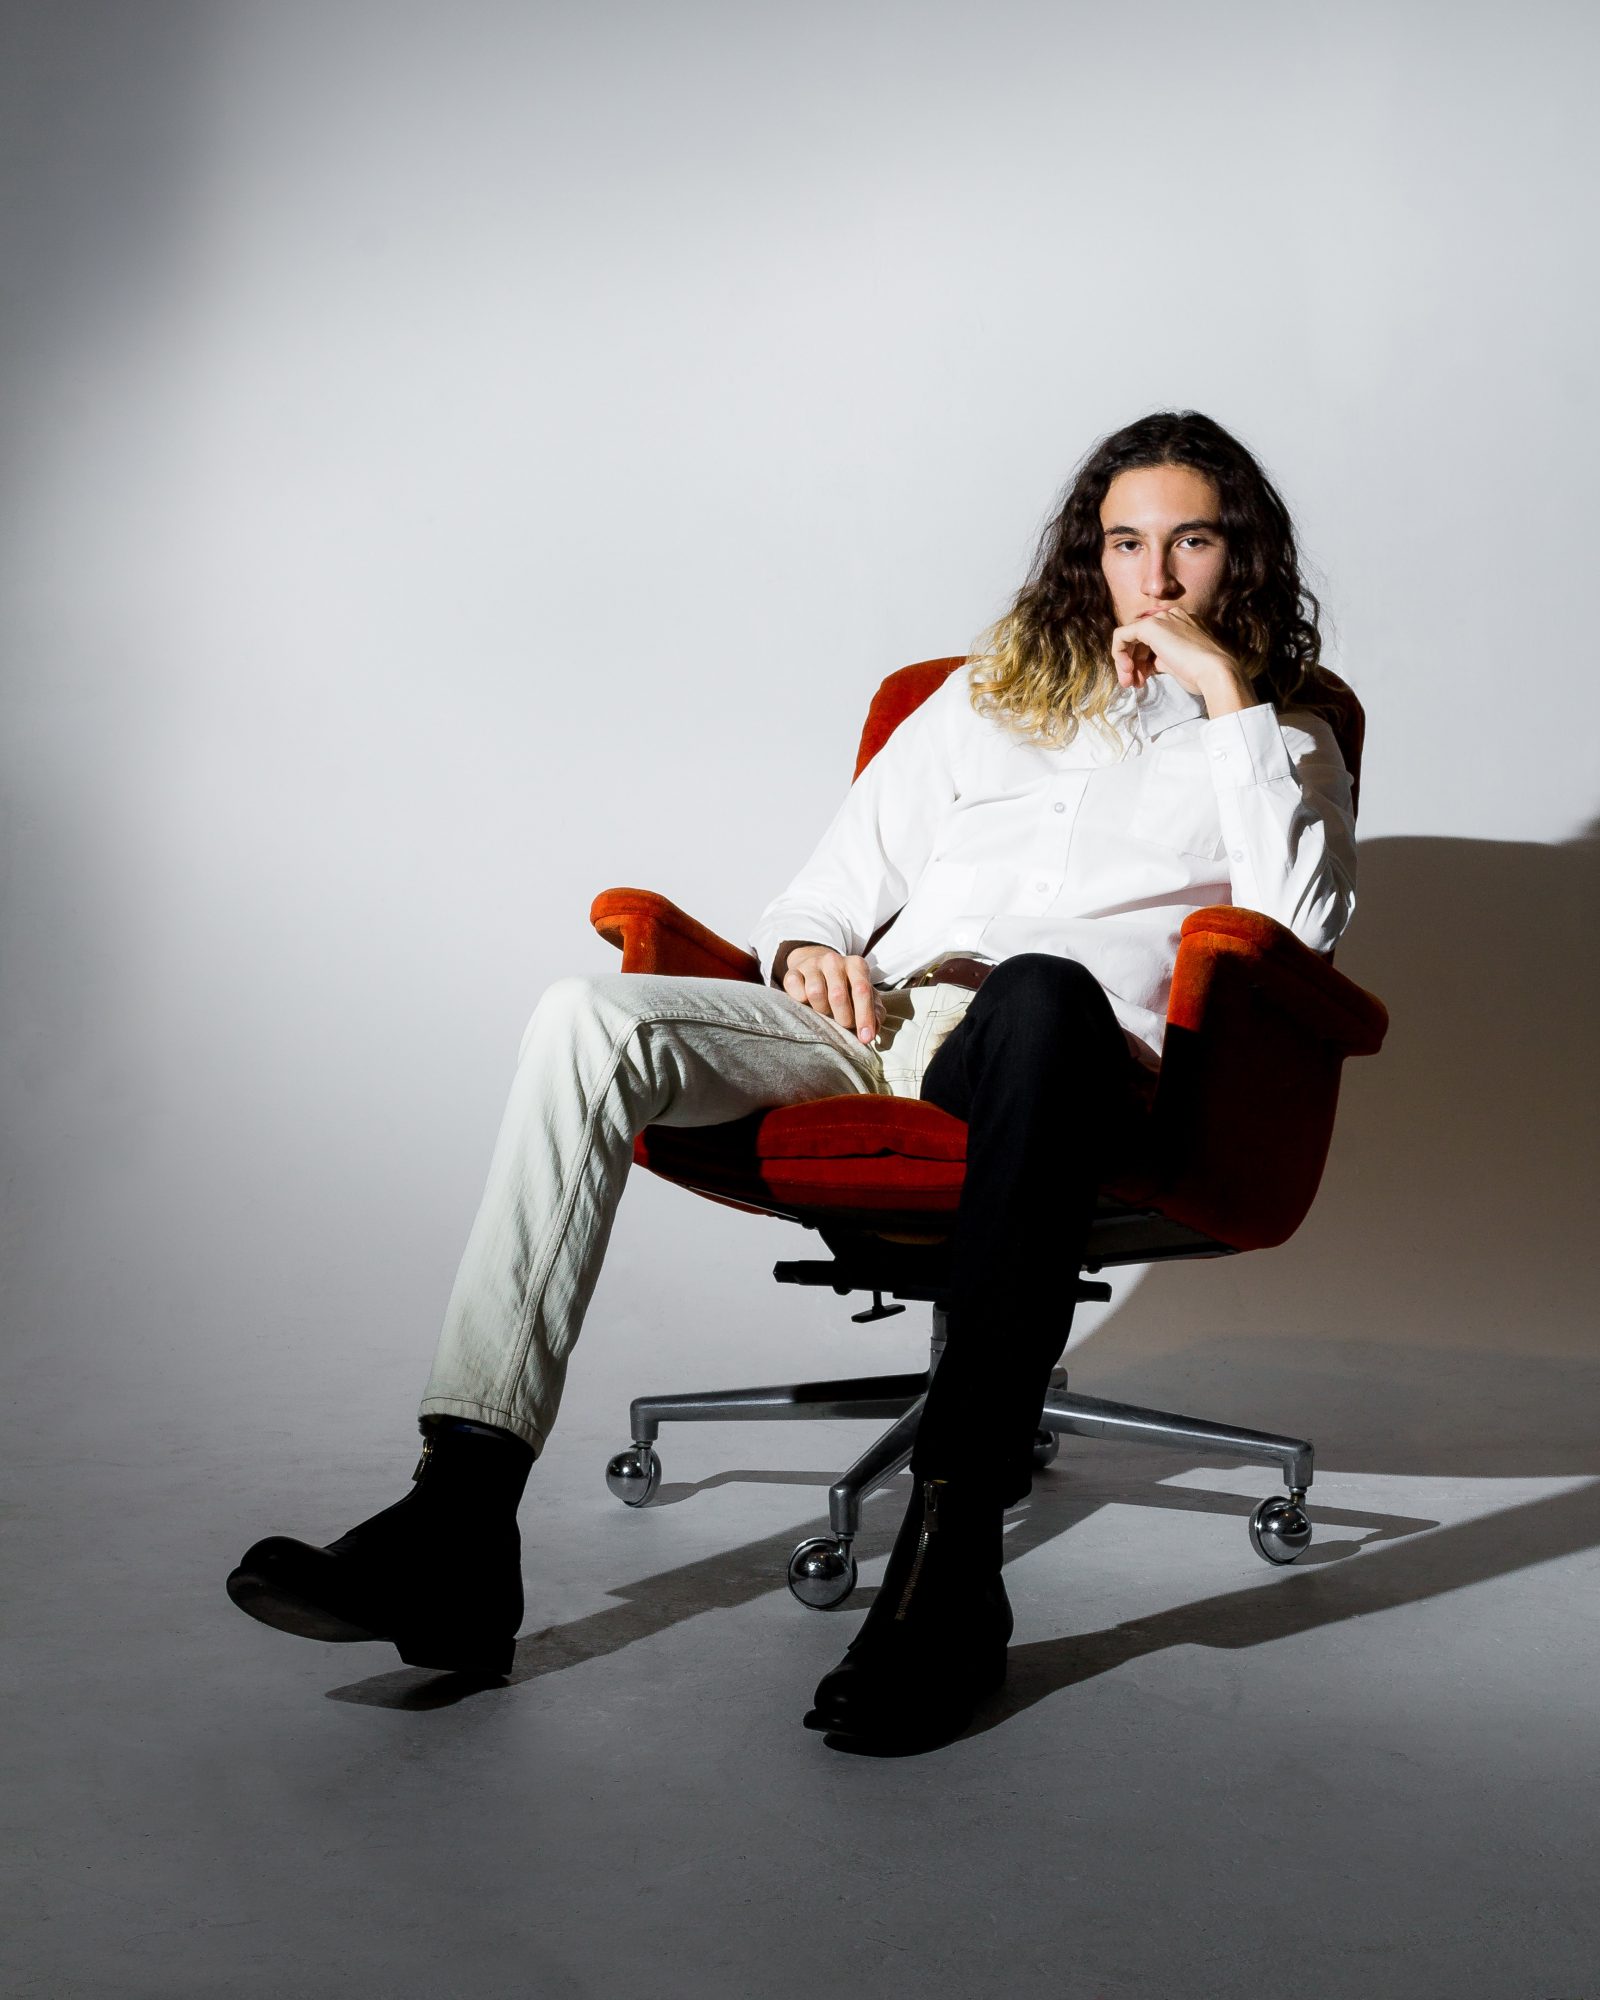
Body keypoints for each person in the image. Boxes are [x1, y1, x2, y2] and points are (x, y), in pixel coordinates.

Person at [227, 409, 1357, 1754]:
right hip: (890, 1026)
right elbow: (825, 889)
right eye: (1125, 543)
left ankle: (954, 1564)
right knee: (586, 1017)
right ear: (1089, 555)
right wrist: (813, 947)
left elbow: (1300, 938)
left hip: (1070, 1059)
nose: (1154, 576)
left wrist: (1226, 701)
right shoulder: (987, 699)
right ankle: (458, 1520)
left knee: (1043, 985)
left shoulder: (1283, 743)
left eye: (1190, 543)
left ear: (1242, 559)